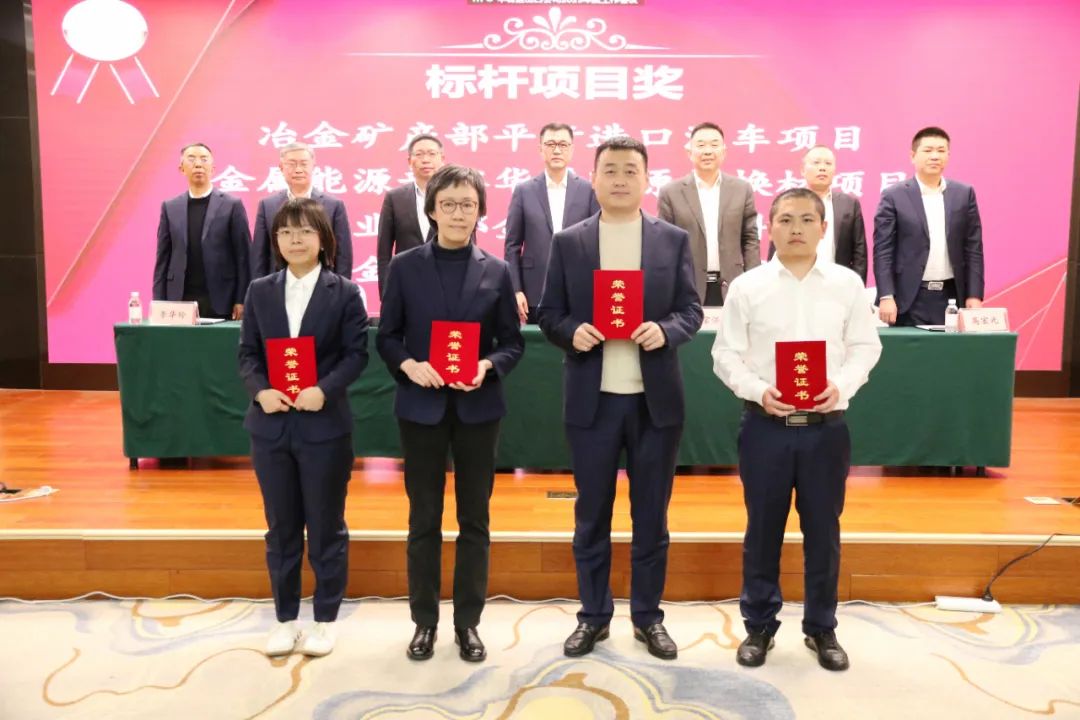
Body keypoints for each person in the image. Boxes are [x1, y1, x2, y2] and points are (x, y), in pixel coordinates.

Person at [538, 136, 702, 661]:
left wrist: (665, 330)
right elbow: (548, 313)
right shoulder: (570, 242)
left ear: (647, 179)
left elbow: (691, 310)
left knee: (651, 517)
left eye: (631, 170)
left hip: (655, 404)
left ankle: (648, 618)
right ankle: (593, 616)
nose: (620, 179)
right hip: (594, 402)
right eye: (610, 170)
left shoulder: (671, 240)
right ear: (593, 178)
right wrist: (572, 331)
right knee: (592, 515)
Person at [712, 188, 881, 671]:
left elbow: (865, 347)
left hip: (826, 430)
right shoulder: (748, 286)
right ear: (770, 227)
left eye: (807, 220)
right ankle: (759, 626)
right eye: (786, 220)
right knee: (762, 530)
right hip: (765, 426)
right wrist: (757, 389)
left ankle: (821, 627)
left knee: (823, 532)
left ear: (824, 228)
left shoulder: (846, 284)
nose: (796, 229)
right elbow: (724, 354)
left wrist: (841, 385)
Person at [376, 165, 524, 663]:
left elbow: (511, 343)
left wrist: (487, 365)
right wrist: (409, 365)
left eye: (468, 204)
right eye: (449, 204)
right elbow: (388, 337)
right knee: (424, 519)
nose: (459, 213)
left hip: (478, 408)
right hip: (421, 408)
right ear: (432, 210)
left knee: (474, 519)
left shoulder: (496, 270)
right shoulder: (405, 267)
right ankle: (424, 621)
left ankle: (468, 623)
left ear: (480, 211)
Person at [238, 198, 370, 658]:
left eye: (305, 231)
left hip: (324, 426)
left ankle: (325, 620)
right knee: (281, 527)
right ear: (275, 241)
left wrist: (324, 389)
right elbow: (247, 354)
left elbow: (356, 355)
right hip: (271, 426)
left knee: (326, 526)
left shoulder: (345, 292)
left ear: (323, 239)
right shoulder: (260, 291)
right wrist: (260, 391)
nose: (295, 239)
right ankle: (286, 619)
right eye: (286, 232)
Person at [873, 126, 984, 325]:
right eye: (928, 150)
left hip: (952, 297)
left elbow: (973, 248)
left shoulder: (964, 194)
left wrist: (974, 294)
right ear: (912, 156)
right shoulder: (894, 196)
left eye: (941, 151)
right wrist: (886, 295)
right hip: (908, 299)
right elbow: (883, 250)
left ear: (948, 155)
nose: (935, 156)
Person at [504, 122, 600, 323]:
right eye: (550, 144)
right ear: (540, 149)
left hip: (579, 290)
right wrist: (516, 289)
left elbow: (597, 241)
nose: (557, 150)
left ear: (572, 150)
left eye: (563, 144)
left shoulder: (588, 190)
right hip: (534, 292)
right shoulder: (524, 191)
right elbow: (512, 246)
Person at [657, 122, 760, 306]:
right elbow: (666, 244)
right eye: (701, 145)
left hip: (733, 284)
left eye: (714, 145)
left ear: (724, 151)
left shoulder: (741, 189)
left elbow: (750, 238)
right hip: (688, 285)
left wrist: (754, 281)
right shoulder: (670, 192)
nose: (707, 151)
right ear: (689, 152)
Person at [153, 142, 251, 319]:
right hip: (179, 300)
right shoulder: (170, 207)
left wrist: (241, 299)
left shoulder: (232, 205)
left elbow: (243, 256)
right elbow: (163, 259)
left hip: (222, 298)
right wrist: (159, 302)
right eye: (191, 159)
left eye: (204, 159)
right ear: (181, 168)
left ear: (213, 168)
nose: (198, 164)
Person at [251, 142, 353, 280]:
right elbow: (259, 254)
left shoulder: (333, 205)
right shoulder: (267, 205)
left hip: (323, 284)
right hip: (278, 284)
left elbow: (343, 255)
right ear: (281, 167)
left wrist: (341, 288)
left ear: (313, 166)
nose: (298, 169)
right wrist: (259, 288)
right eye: (291, 164)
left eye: (304, 164)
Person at [785, 145, 867, 283]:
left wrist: (857, 287)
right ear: (802, 170)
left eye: (828, 163)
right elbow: (777, 248)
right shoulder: (788, 203)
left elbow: (859, 253)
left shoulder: (849, 204)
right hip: (796, 282)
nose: (822, 168)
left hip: (837, 283)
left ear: (834, 170)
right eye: (816, 163)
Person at [376, 134, 445, 297]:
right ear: (409, 161)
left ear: (442, 159)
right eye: (419, 154)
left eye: (431, 154)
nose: (425, 160)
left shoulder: (453, 198)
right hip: (406, 286)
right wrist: (386, 294)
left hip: (446, 285)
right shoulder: (395, 198)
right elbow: (384, 253)